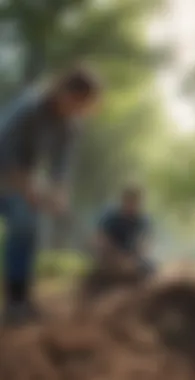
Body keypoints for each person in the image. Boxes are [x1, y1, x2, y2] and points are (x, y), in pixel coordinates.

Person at [0, 66, 101, 325]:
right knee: (25, 219)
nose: (81, 110)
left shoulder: (70, 126)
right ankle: (16, 301)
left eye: (86, 106)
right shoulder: (29, 108)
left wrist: (59, 195)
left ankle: (18, 300)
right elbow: (5, 154)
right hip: (7, 170)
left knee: (29, 228)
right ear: (64, 92)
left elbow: (61, 168)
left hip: (22, 176)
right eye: (79, 102)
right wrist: (29, 189)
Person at [86, 186, 154, 295]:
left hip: (132, 258)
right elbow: (99, 238)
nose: (131, 205)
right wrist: (113, 255)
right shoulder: (110, 217)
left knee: (150, 270)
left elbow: (144, 243)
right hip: (110, 256)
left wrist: (132, 258)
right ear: (123, 200)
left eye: (134, 202)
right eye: (129, 201)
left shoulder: (142, 220)